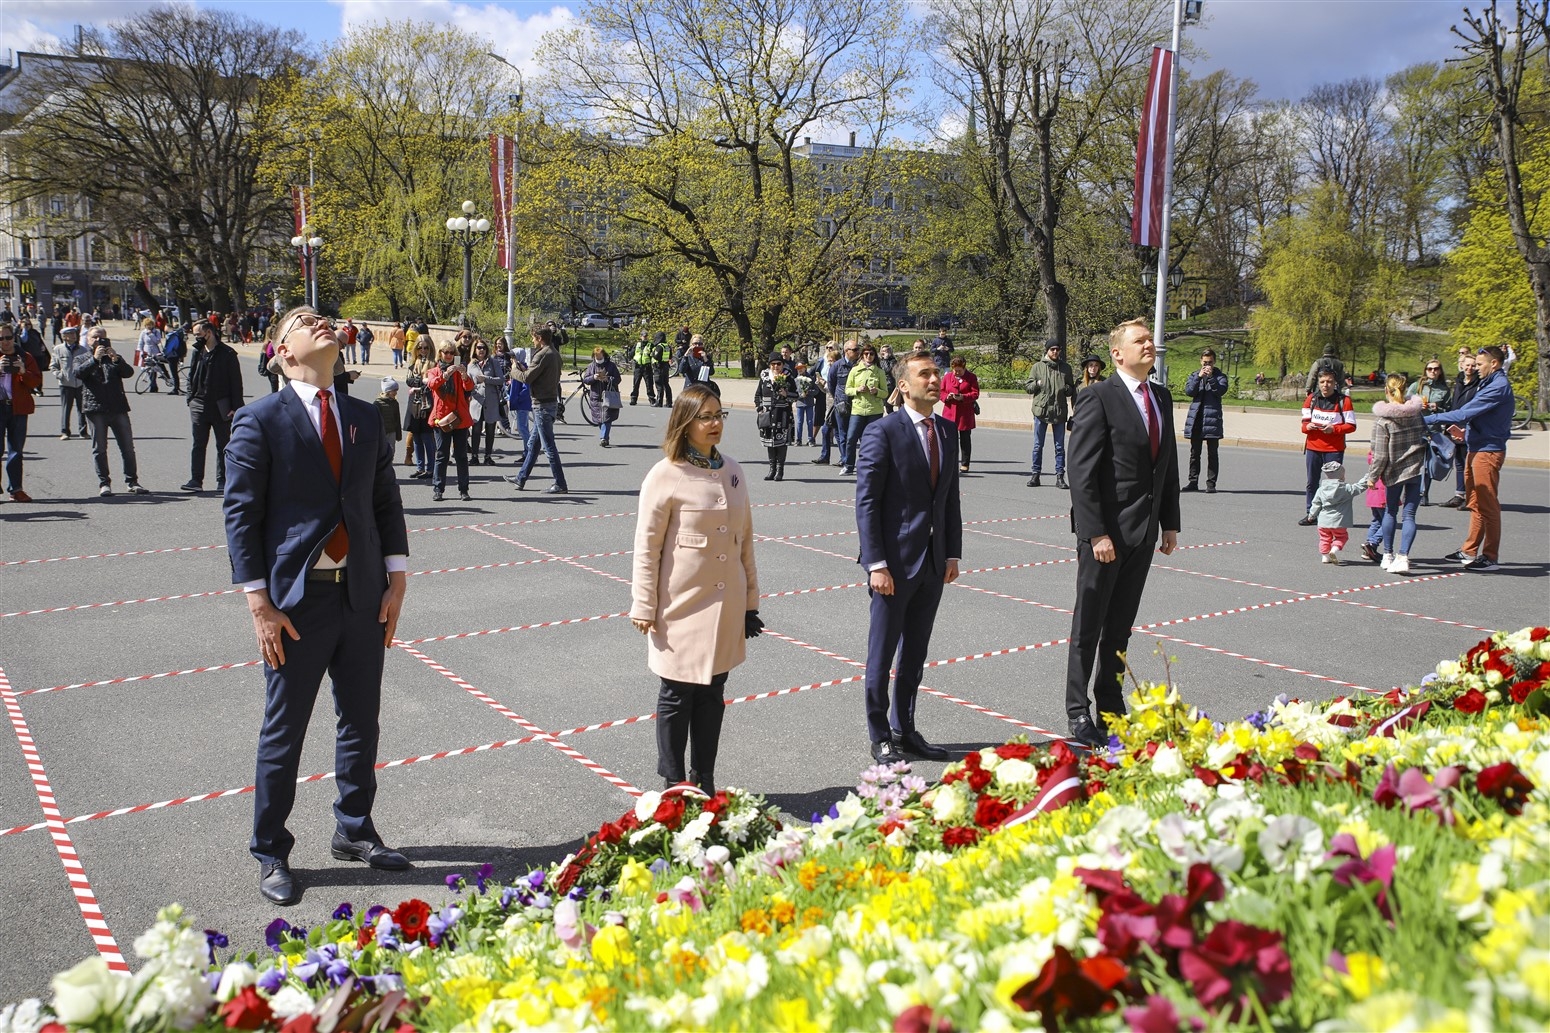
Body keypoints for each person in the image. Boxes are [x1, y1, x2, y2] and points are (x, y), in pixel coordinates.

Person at [223, 304, 410, 906]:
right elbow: (241, 516)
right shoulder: (259, 420)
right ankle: (271, 849)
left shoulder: (362, 416)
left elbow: (385, 500)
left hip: (360, 595)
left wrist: (396, 578)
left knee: (361, 720)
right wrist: (259, 604)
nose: (321, 321)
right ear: (283, 351)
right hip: (295, 605)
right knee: (286, 729)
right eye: (304, 321)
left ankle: (354, 830)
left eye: (323, 317)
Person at [629, 384, 760, 795]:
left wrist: (750, 604)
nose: (715, 423)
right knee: (676, 692)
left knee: (712, 692)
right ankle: (674, 780)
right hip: (679, 602)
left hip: (725, 603)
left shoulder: (734, 471)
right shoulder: (665, 473)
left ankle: (705, 776)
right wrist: (643, 603)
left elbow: (745, 541)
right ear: (685, 423)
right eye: (705, 416)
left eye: (720, 414)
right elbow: (647, 546)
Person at [1064, 319, 1181, 749]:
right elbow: (1081, 472)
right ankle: (1078, 711)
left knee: (1120, 627)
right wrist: (1096, 533)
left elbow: (1163, 465)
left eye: (1150, 339)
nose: (1150, 344)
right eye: (1140, 341)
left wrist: (1169, 521)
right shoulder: (1097, 397)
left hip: (1143, 533)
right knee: (1089, 624)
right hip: (1105, 536)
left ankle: (1110, 706)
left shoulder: (1161, 397)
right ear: (1117, 353)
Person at [856, 350, 962, 764]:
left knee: (915, 653)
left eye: (937, 373)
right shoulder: (883, 432)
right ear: (903, 386)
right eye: (925, 374)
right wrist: (876, 564)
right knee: (881, 655)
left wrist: (952, 551)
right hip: (894, 564)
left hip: (933, 562)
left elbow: (949, 498)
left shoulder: (948, 431)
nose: (935, 380)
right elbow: (867, 502)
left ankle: (906, 728)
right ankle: (879, 733)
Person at [1423, 345, 1515, 571]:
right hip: (1476, 446)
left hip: (1488, 451)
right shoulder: (1489, 382)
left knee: (1488, 505)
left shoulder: (1498, 386)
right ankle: (1469, 550)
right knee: (1475, 502)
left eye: (1480, 364)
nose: (1475, 368)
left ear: (1494, 364)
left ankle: (1490, 556)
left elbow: (1465, 412)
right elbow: (1483, 417)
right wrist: (1467, 434)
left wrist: (1426, 419)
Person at [1368, 374, 1427, 575]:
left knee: (1391, 511)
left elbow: (1380, 455)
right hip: (1416, 469)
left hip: (1393, 472)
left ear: (1387, 390)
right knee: (1410, 515)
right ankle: (1403, 556)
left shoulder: (1383, 420)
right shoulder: (1416, 414)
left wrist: (1372, 476)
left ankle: (1387, 555)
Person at [78, 329, 148, 497]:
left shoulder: (113, 358)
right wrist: (95, 359)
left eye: (102, 337)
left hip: (118, 408)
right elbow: (79, 373)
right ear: (88, 340)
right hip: (95, 410)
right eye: (94, 337)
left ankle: (132, 481)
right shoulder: (82, 358)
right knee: (100, 448)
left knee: (127, 448)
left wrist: (116, 359)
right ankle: (104, 483)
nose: (98, 340)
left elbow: (128, 373)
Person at [182, 319, 245, 494]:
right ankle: (196, 480)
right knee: (198, 443)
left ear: (209, 333)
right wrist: (190, 398)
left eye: (198, 334)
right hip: (199, 404)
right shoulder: (197, 351)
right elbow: (191, 376)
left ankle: (223, 480)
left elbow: (236, 383)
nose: (196, 338)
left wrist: (236, 407)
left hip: (221, 405)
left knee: (223, 444)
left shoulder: (228, 354)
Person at [506, 325, 569, 494]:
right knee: (534, 445)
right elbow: (539, 375)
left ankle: (560, 483)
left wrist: (513, 370)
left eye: (533, 337)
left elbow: (526, 378)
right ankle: (521, 478)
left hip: (542, 405)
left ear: (540, 338)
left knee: (549, 447)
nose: (532, 340)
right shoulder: (554, 353)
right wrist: (525, 369)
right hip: (549, 402)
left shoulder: (542, 354)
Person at [1298, 369, 1355, 522]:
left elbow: (1351, 426)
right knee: (1312, 482)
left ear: (1335, 383)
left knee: (1333, 485)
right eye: (1322, 382)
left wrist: (1334, 429)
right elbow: (1303, 425)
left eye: (1329, 382)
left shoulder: (1344, 401)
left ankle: (1332, 514)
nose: (1325, 385)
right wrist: (1307, 427)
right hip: (1313, 448)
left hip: (1333, 449)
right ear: (1318, 383)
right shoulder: (1311, 399)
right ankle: (1311, 514)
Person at [425, 341, 474, 503]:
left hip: (459, 418)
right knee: (442, 455)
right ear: (440, 353)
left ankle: (464, 489)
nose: (448, 355)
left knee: (461, 456)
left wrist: (464, 375)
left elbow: (469, 387)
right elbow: (432, 384)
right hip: (442, 419)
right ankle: (438, 489)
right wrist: (445, 375)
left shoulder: (459, 371)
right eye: (445, 352)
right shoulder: (434, 371)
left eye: (452, 353)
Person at [0, 322, 44, 502]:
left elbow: (35, 382)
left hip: (18, 408)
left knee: (16, 450)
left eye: (8, 337)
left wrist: (23, 371)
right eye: (1, 338)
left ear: (14, 338)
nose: (5, 342)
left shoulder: (25, 357)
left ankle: (16, 489)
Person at [1024, 339, 1075, 488]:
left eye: (1057, 350)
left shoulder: (1066, 368)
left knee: (1059, 447)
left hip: (1059, 411)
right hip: (1041, 410)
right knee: (1038, 445)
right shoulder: (1037, 367)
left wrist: (1067, 389)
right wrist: (1037, 384)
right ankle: (1035, 475)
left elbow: (1071, 389)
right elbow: (1028, 387)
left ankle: (1060, 477)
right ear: (1047, 350)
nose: (1055, 352)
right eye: (1052, 349)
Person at [1182, 348, 1229, 493]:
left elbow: (1220, 391)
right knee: (1194, 454)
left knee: (1212, 454)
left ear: (1214, 362)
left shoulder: (1220, 377)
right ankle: (1193, 482)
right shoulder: (1195, 375)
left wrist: (1210, 379)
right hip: (1196, 418)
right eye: (1205, 362)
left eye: (1210, 362)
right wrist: (1199, 378)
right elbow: (1189, 391)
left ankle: (1211, 484)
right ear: (1200, 361)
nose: (1207, 365)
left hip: (1212, 420)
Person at [1306, 460, 1366, 565]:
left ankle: (1325, 556)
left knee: (1324, 538)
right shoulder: (1347, 489)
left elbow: (1316, 504)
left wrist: (1311, 516)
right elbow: (1359, 486)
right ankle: (1334, 549)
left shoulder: (1321, 490)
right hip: (1339, 522)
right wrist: (1368, 477)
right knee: (1341, 537)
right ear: (1341, 476)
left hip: (1323, 521)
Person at [1442, 352, 1479, 508]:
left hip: (1469, 427)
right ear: (1462, 365)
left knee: (1468, 464)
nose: (1470, 368)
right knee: (1458, 464)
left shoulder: (1478, 384)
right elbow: (1454, 405)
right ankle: (1459, 495)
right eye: (1467, 364)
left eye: (1473, 365)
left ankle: (1471, 497)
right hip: (1455, 427)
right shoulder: (1459, 382)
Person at [843, 343, 886, 475]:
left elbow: (885, 393)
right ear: (862, 356)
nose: (869, 356)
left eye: (871, 354)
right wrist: (857, 389)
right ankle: (848, 465)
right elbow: (847, 389)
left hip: (874, 410)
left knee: (873, 440)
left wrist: (876, 391)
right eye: (866, 354)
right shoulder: (855, 370)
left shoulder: (879, 372)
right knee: (851, 438)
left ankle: (871, 465)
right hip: (858, 410)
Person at [752, 354, 797, 480]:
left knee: (781, 443)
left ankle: (780, 470)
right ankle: (771, 469)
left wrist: (786, 393)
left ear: (783, 364)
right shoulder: (765, 376)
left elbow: (796, 395)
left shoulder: (788, 376)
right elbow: (758, 395)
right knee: (770, 443)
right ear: (769, 365)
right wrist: (760, 408)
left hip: (782, 414)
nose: (776, 366)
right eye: (773, 364)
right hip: (767, 414)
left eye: (778, 364)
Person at [813, 341, 856, 466]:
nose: (830, 363)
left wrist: (826, 386)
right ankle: (828, 456)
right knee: (832, 431)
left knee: (837, 432)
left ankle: (844, 459)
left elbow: (832, 387)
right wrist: (820, 384)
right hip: (831, 403)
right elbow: (829, 388)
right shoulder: (831, 367)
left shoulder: (842, 367)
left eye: (831, 361)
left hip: (838, 404)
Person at [50, 324, 92, 439]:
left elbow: (88, 365)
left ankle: (83, 431)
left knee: (82, 409)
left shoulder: (82, 349)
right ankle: (65, 432)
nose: (74, 336)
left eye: (74, 333)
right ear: (64, 337)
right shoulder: (58, 349)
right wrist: (60, 375)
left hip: (80, 384)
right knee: (66, 409)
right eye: (70, 334)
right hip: (65, 384)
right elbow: (53, 366)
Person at [468, 339, 505, 465]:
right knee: (476, 429)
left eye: (483, 347)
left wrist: (486, 379)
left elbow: (501, 380)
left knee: (490, 429)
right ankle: (474, 456)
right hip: (476, 400)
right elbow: (467, 383)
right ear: (475, 349)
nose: (481, 350)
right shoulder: (471, 365)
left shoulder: (493, 362)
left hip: (491, 400)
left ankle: (488, 456)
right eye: (479, 347)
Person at [941, 355, 979, 472]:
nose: (956, 373)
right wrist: (946, 397)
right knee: (949, 440)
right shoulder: (947, 377)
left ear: (964, 368)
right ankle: (950, 463)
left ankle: (965, 463)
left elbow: (975, 393)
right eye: (954, 370)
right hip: (949, 412)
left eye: (959, 371)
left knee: (965, 439)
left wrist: (963, 397)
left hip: (965, 413)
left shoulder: (971, 377)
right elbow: (941, 392)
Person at [402, 340, 435, 478]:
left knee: (427, 437)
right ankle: (420, 467)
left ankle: (431, 469)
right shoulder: (413, 364)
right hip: (414, 403)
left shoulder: (434, 363)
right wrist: (421, 382)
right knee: (416, 437)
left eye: (426, 348)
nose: (423, 350)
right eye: (420, 348)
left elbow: (432, 383)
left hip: (427, 402)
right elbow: (409, 381)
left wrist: (419, 385)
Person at [583, 346, 622, 447]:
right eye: (597, 357)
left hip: (608, 395)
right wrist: (593, 377)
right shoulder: (591, 366)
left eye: (600, 357)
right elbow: (586, 379)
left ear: (604, 355)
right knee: (599, 419)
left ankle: (603, 437)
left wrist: (608, 379)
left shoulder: (611, 366)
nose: (599, 359)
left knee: (607, 418)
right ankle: (605, 436)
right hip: (596, 396)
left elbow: (618, 379)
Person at [374, 378, 402, 456]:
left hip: (392, 431)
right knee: (381, 450)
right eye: (394, 390)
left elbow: (397, 419)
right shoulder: (378, 403)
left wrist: (398, 434)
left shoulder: (395, 403)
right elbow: (374, 420)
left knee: (391, 450)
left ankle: (389, 465)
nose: (396, 393)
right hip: (382, 432)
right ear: (388, 391)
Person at [792, 361, 816, 446]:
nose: (800, 370)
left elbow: (816, 391)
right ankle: (798, 439)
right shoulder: (795, 380)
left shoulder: (811, 378)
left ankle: (811, 439)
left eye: (801, 368)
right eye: (798, 368)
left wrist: (808, 392)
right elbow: (793, 392)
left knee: (810, 421)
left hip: (809, 403)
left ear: (805, 368)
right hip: (800, 403)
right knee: (799, 421)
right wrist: (799, 395)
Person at [630, 332, 656, 406]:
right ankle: (633, 399)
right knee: (636, 384)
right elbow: (632, 354)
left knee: (649, 384)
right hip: (638, 366)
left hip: (647, 367)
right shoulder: (637, 345)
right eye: (643, 336)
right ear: (640, 336)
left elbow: (653, 355)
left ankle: (652, 399)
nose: (644, 337)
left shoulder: (650, 345)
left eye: (646, 336)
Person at [162, 321, 187, 395]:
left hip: (172, 356)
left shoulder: (172, 336)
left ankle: (176, 389)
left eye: (165, 328)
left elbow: (169, 347)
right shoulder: (175, 335)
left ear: (169, 328)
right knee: (174, 372)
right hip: (174, 355)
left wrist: (164, 353)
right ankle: (165, 375)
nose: (165, 330)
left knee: (174, 373)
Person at [651, 331, 674, 408]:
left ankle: (659, 402)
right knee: (666, 384)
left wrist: (652, 353)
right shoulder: (667, 346)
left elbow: (656, 356)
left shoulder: (659, 346)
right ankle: (669, 402)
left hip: (658, 367)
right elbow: (670, 356)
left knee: (659, 385)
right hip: (666, 367)